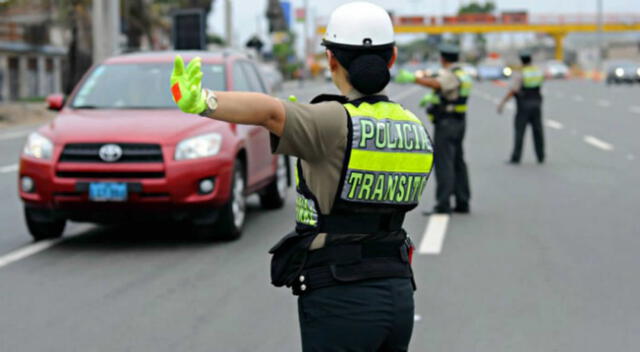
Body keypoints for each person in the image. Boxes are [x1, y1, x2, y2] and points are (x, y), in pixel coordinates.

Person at [170, 2, 433, 351]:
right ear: (393, 57)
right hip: (398, 291)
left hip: (341, 298)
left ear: (332, 61)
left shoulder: (331, 121)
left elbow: (268, 112)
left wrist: (202, 100)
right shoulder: (414, 128)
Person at [396, 43, 472, 214]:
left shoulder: (451, 75)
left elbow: (437, 84)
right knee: (458, 161)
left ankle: (443, 204)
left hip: (447, 122)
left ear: (443, 58)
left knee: (444, 162)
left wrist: (413, 79)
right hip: (459, 121)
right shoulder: (463, 74)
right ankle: (462, 201)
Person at [497, 49, 545, 164]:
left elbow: (513, 90)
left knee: (520, 131)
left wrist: (503, 103)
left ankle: (516, 157)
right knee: (538, 131)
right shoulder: (537, 71)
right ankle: (541, 156)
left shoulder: (521, 73)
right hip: (537, 104)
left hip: (524, 105)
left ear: (521, 61)